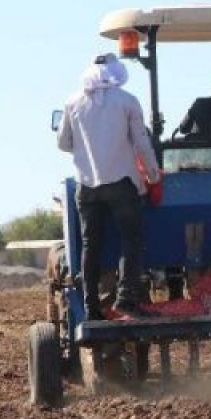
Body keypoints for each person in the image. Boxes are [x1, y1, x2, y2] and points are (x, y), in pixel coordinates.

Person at [57, 52, 161, 318]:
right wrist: (153, 175)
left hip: (87, 185)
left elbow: (63, 143)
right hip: (122, 184)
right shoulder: (127, 102)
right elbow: (141, 142)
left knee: (91, 244)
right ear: (117, 74)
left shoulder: (73, 102)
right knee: (131, 239)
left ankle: (91, 307)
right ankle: (125, 298)